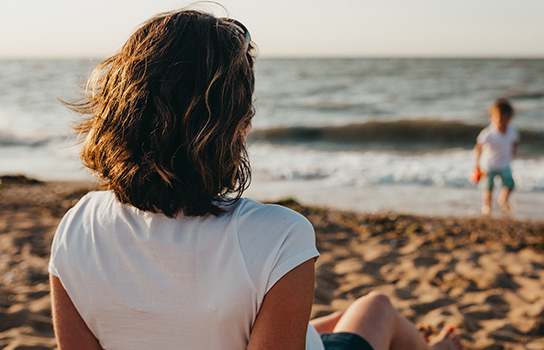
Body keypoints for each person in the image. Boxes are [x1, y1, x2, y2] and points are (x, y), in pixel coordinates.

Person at [48, 7, 463, 350]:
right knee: (377, 307)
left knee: (326, 319)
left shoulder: (75, 228)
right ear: (237, 126)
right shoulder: (280, 237)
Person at [473, 98, 519, 215]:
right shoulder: (488, 133)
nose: (503, 122)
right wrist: (476, 166)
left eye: (506, 119)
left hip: (504, 164)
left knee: (510, 185)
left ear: (510, 118)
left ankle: (503, 199)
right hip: (489, 165)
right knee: (488, 188)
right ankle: (487, 207)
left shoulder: (512, 131)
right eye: (500, 119)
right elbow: (478, 148)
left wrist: (512, 154)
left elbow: (514, 143)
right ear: (491, 117)